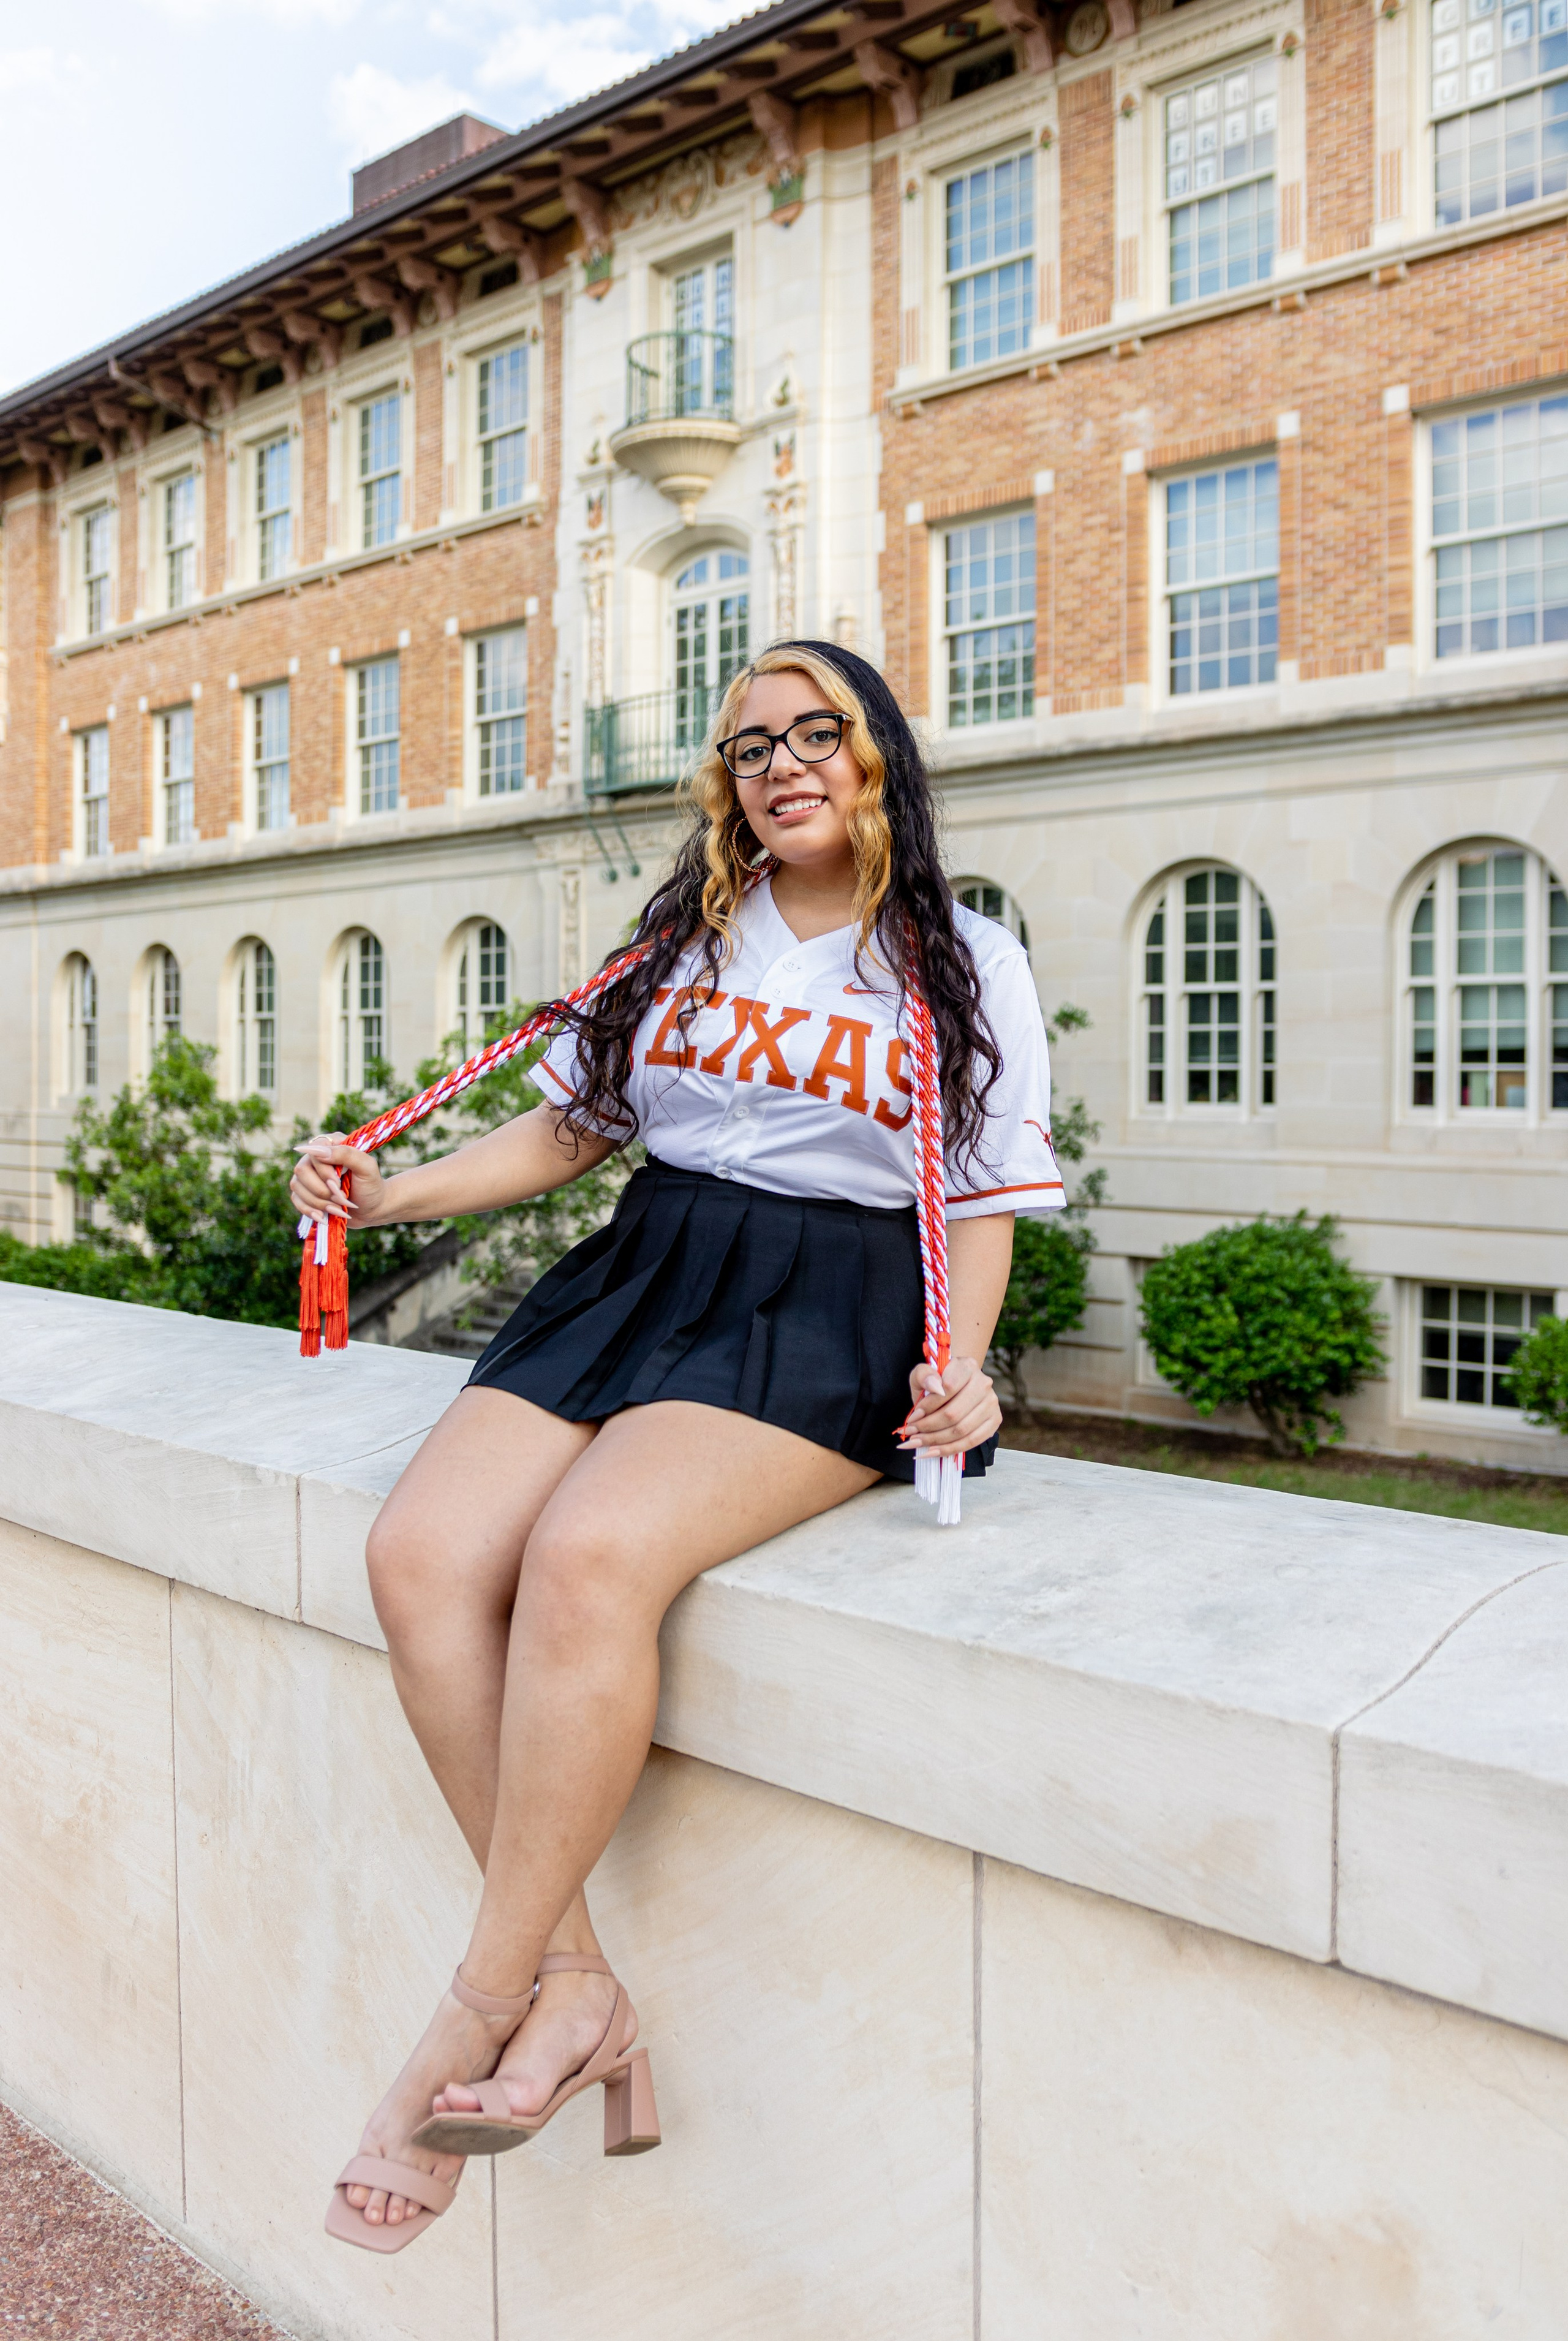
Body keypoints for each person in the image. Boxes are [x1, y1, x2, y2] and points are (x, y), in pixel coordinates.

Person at [290, 640, 1064, 2253]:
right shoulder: (682, 942)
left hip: (831, 1299)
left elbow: (982, 1195)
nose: (782, 766)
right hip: (649, 1267)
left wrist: (964, 1370)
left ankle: (472, 2011)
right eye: (750, 746)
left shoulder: (963, 959)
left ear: (878, 756)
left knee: (588, 1559)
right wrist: (391, 1193)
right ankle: (575, 1984)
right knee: (420, 1556)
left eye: (816, 734)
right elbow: (577, 1123)